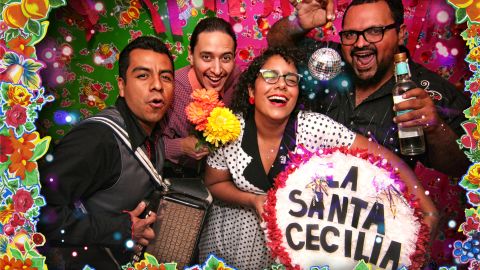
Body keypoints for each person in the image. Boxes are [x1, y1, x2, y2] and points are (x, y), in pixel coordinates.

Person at [267, 0, 470, 266]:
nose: (361, 43)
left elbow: (463, 166)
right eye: (351, 34)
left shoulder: (428, 91)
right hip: (307, 227)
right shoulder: (328, 61)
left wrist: (434, 127)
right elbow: (277, 45)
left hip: (372, 239)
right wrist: (298, 22)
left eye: (374, 31)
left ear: (400, 34)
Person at [197, 46, 438, 269]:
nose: (281, 85)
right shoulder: (228, 128)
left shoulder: (314, 128)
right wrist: (251, 200)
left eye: (291, 79)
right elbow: (214, 183)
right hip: (226, 244)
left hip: (290, 255)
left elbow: (385, 160)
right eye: (271, 76)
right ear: (251, 89)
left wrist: (427, 209)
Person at [38, 36, 175, 269]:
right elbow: (38, 214)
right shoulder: (96, 139)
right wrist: (121, 228)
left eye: (166, 77)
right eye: (143, 75)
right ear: (122, 86)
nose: (157, 85)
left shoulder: (154, 136)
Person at [162, 17, 241, 178]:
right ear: (190, 55)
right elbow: (148, 146)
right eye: (206, 57)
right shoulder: (171, 90)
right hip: (182, 178)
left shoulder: (238, 80)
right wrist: (182, 146)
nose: (217, 70)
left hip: (226, 175)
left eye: (226, 58)